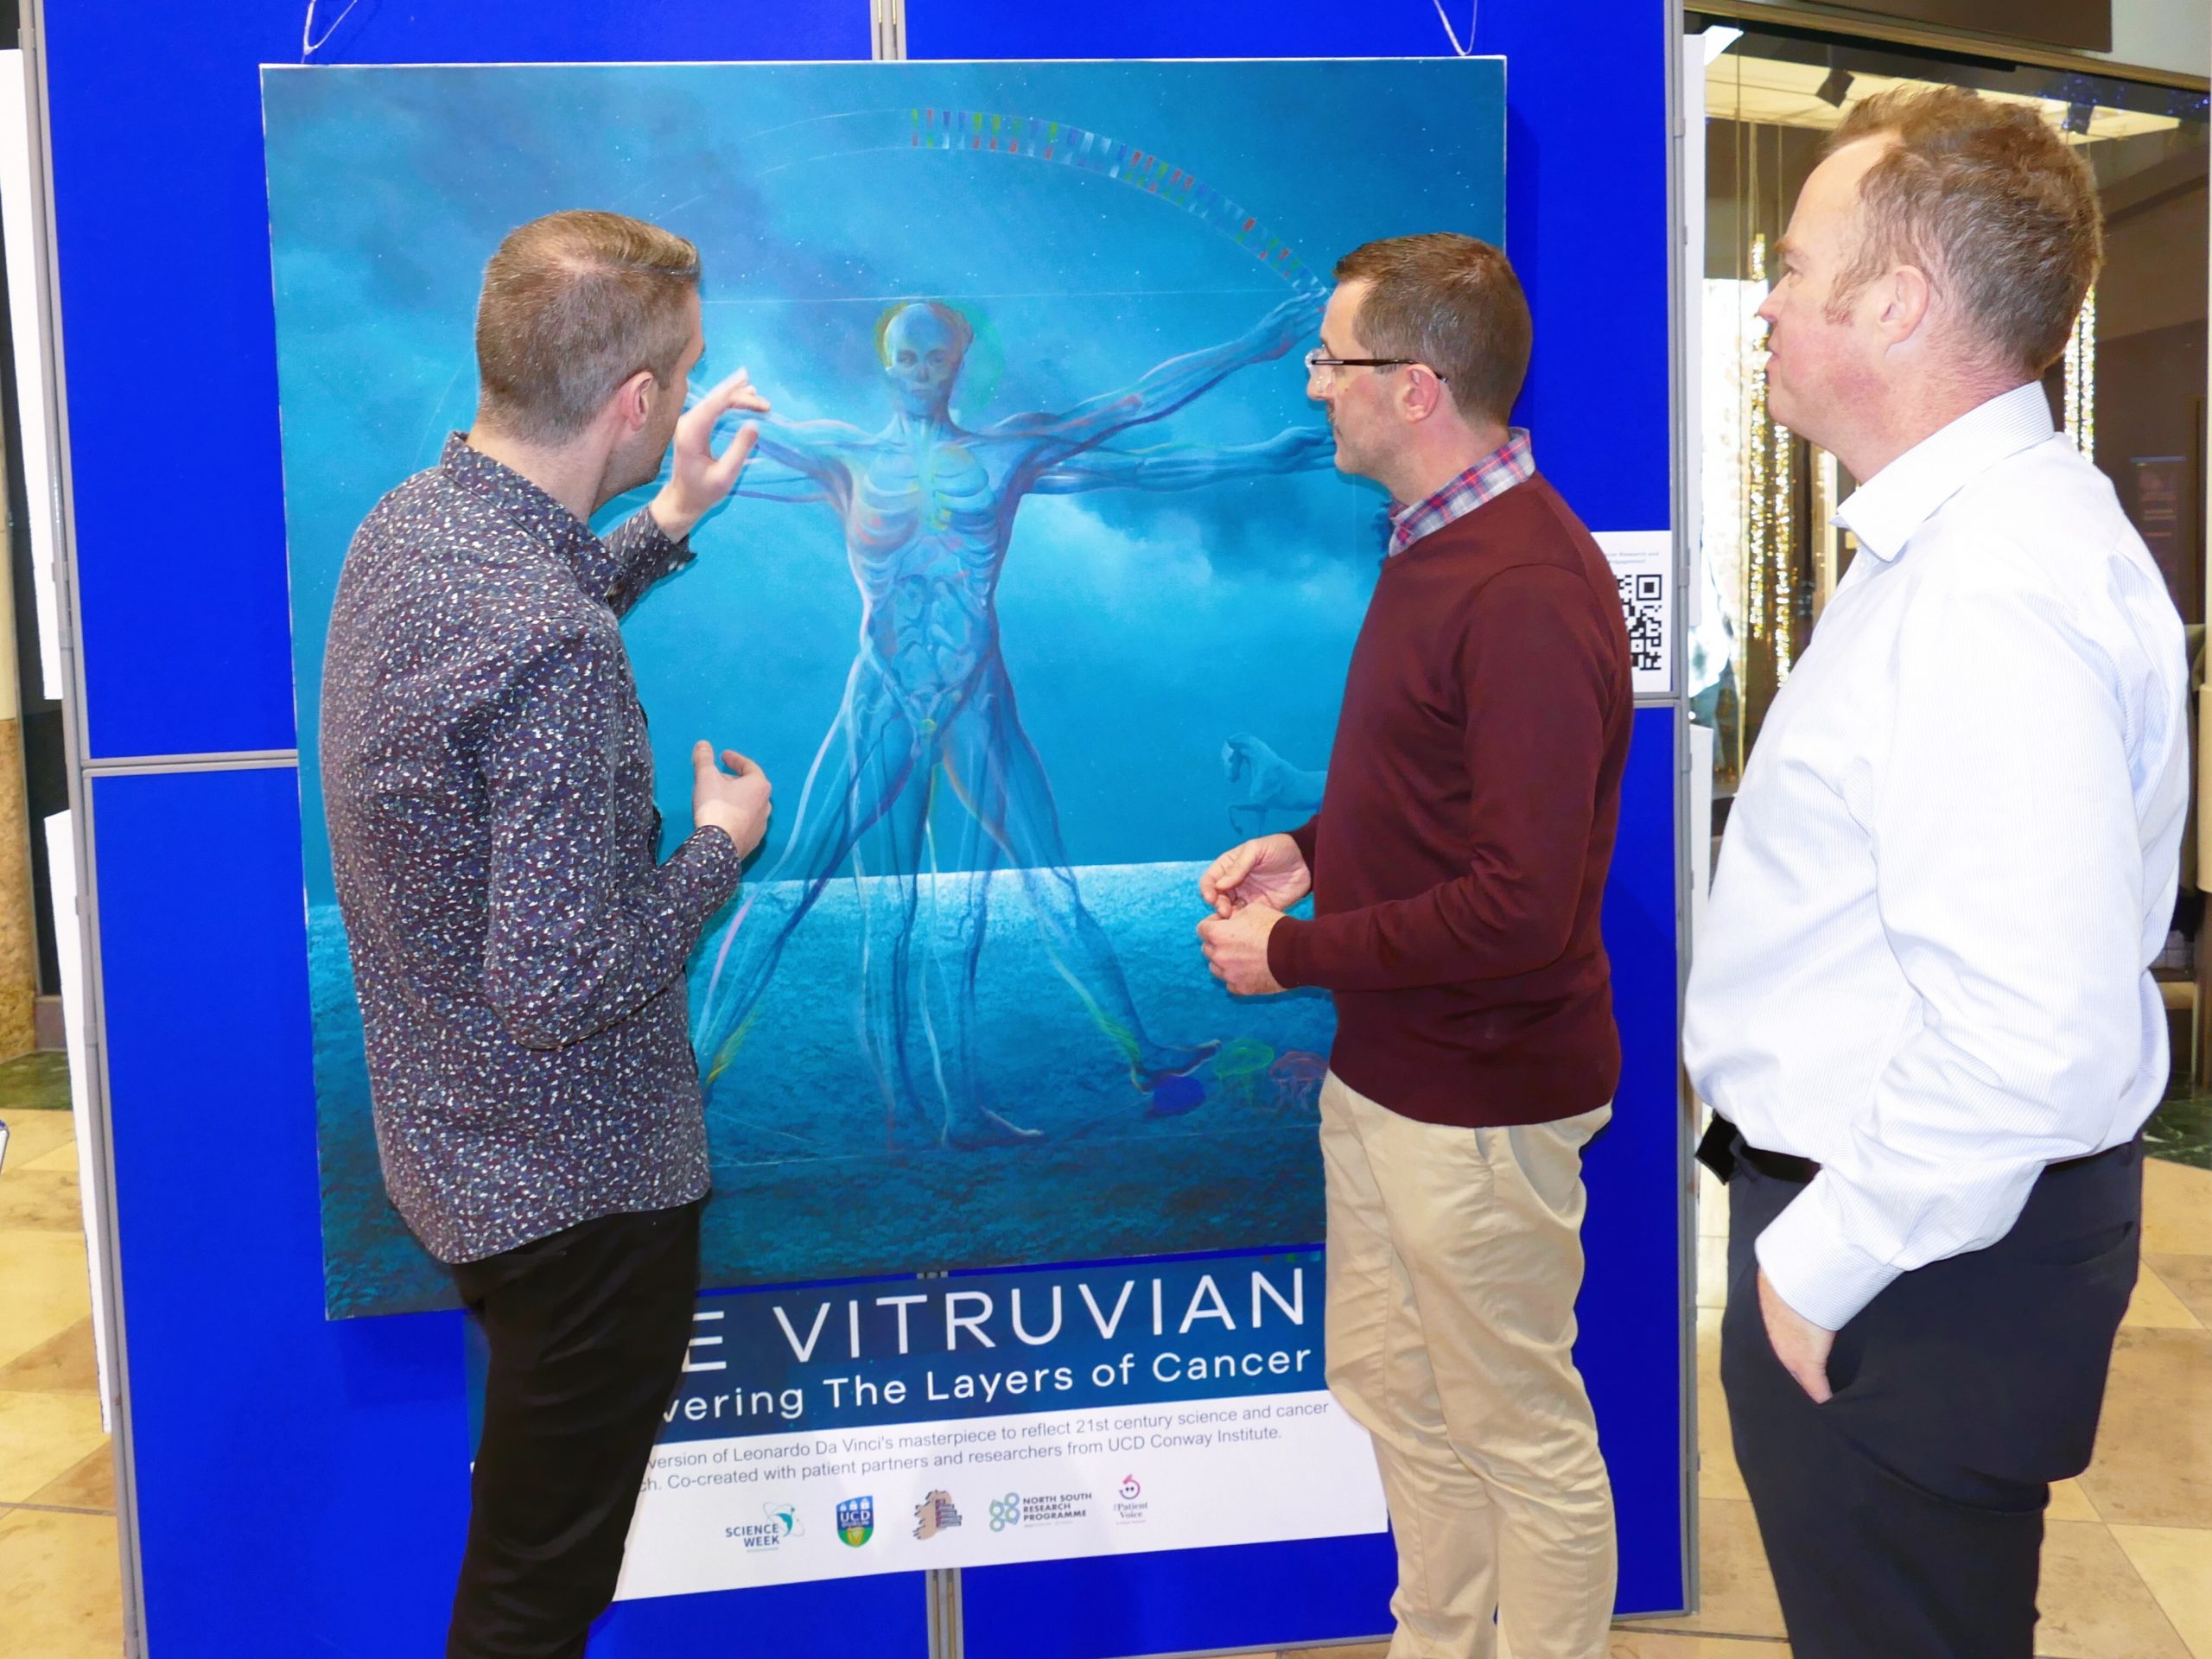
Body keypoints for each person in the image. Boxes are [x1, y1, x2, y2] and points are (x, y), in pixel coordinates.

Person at [1681, 88, 2186, 1659]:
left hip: (1909, 1267)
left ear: (1894, 301)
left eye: (1796, 258)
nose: (1766, 298)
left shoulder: (1989, 585)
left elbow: (2036, 1029)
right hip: (1924, 1251)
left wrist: (1811, 1277)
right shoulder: (1978, 543)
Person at [321, 209, 775, 1658]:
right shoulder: (550, 640)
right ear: (634, 401)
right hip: (583, 1205)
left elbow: (531, 626)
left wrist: (668, 524)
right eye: (684, 373)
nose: (692, 394)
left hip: (464, 1165)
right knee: (535, 1599)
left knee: (524, 1568)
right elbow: (566, 981)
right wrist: (719, 853)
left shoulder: (413, 528)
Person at [1198, 233, 1632, 1659]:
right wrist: (1310, 848)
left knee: (1520, 1439)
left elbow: (1523, 904)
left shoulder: (1521, 588)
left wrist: (1297, 954)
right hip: (1395, 1085)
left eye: (1335, 359)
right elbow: (1440, 789)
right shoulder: (1442, 542)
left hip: (1482, 1103)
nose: (1314, 383)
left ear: (1419, 387)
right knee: (1405, 1403)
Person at [691, 293, 1330, 1144]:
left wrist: (1252, 345)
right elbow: (702, 443)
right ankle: (695, 1085)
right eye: (907, 358)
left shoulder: (1005, 451)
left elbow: (1130, 411)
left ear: (958, 365)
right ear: (887, 366)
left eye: (936, 358)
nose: (921, 373)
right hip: (883, 697)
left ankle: (1099, 1067)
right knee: (802, 888)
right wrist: (670, 372)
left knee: (1039, 883)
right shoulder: (840, 457)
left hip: (975, 700)